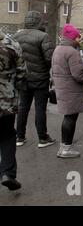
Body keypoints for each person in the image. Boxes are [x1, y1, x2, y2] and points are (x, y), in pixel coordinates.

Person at [13, 11, 56, 148]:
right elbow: (50, 59)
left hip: (23, 79)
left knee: (23, 107)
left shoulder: (16, 36)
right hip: (40, 79)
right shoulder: (43, 36)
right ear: (39, 22)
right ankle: (42, 138)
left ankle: (19, 137)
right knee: (40, 109)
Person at [51, 24, 83, 158]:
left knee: (68, 117)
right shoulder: (72, 52)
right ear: (72, 37)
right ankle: (66, 148)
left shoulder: (58, 49)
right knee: (70, 118)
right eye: (77, 37)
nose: (79, 40)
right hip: (71, 90)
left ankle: (63, 147)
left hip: (62, 88)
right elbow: (78, 75)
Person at [0, 30, 26, 191]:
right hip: (6, 101)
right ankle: (8, 173)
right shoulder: (11, 44)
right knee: (7, 135)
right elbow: (23, 74)